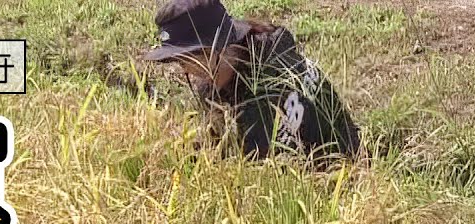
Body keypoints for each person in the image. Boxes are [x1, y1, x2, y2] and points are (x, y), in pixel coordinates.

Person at [143, 0, 361, 162]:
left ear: (216, 48)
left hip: (337, 176)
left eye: (185, 59)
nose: (183, 69)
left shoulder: (265, 90)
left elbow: (260, 181)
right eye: (177, 60)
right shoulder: (252, 45)